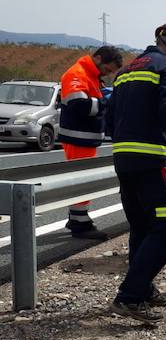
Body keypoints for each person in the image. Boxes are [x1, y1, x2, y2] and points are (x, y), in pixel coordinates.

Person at [106, 21, 166, 324]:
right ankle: (129, 297)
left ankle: (144, 287)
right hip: (154, 162)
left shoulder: (126, 71)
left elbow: (109, 120)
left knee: (141, 227)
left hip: (124, 160)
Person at [58, 45, 123, 239]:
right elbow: (78, 105)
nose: (108, 74)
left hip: (84, 138)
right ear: (98, 58)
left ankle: (78, 217)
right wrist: (105, 101)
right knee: (82, 182)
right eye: (108, 69)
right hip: (78, 137)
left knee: (83, 181)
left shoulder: (91, 75)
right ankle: (79, 223)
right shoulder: (77, 73)